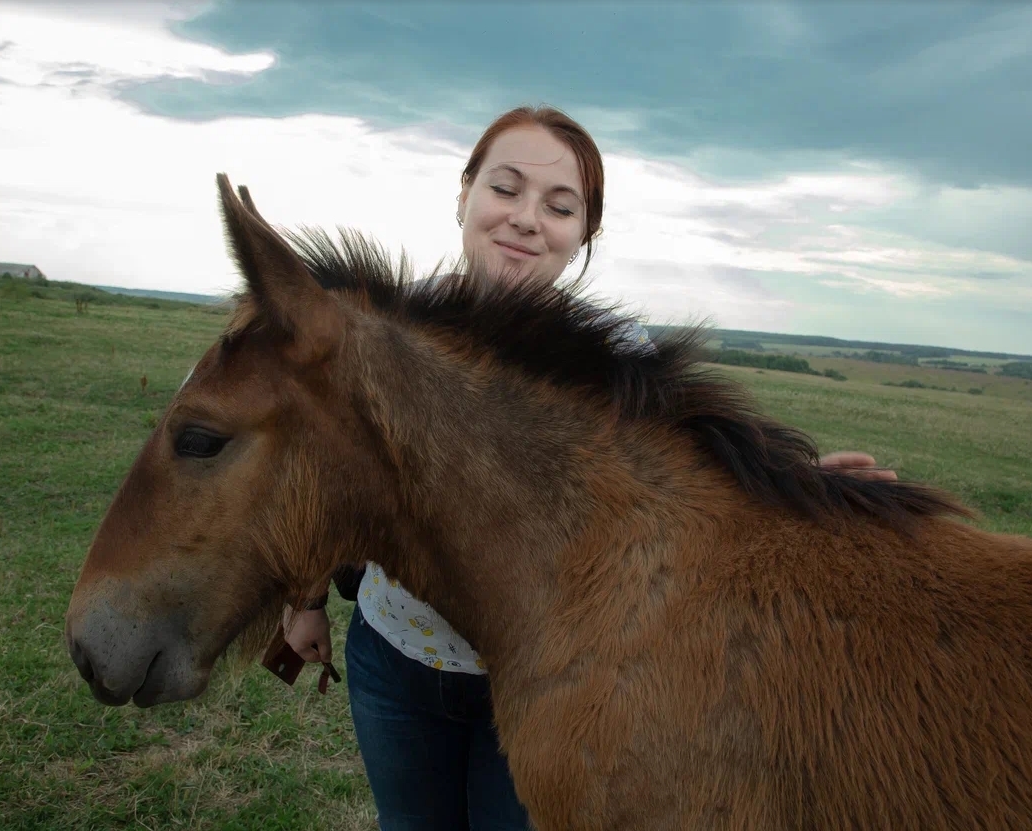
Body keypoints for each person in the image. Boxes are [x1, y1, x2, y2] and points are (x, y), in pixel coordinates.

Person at [281, 105, 897, 831]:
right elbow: (325, 474)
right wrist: (306, 598)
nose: (526, 218)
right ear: (464, 194)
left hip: (552, 676)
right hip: (393, 657)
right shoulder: (391, 331)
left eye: (560, 205)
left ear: (583, 234)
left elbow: (687, 489)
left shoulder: (618, 360)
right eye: (505, 188)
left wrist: (803, 489)